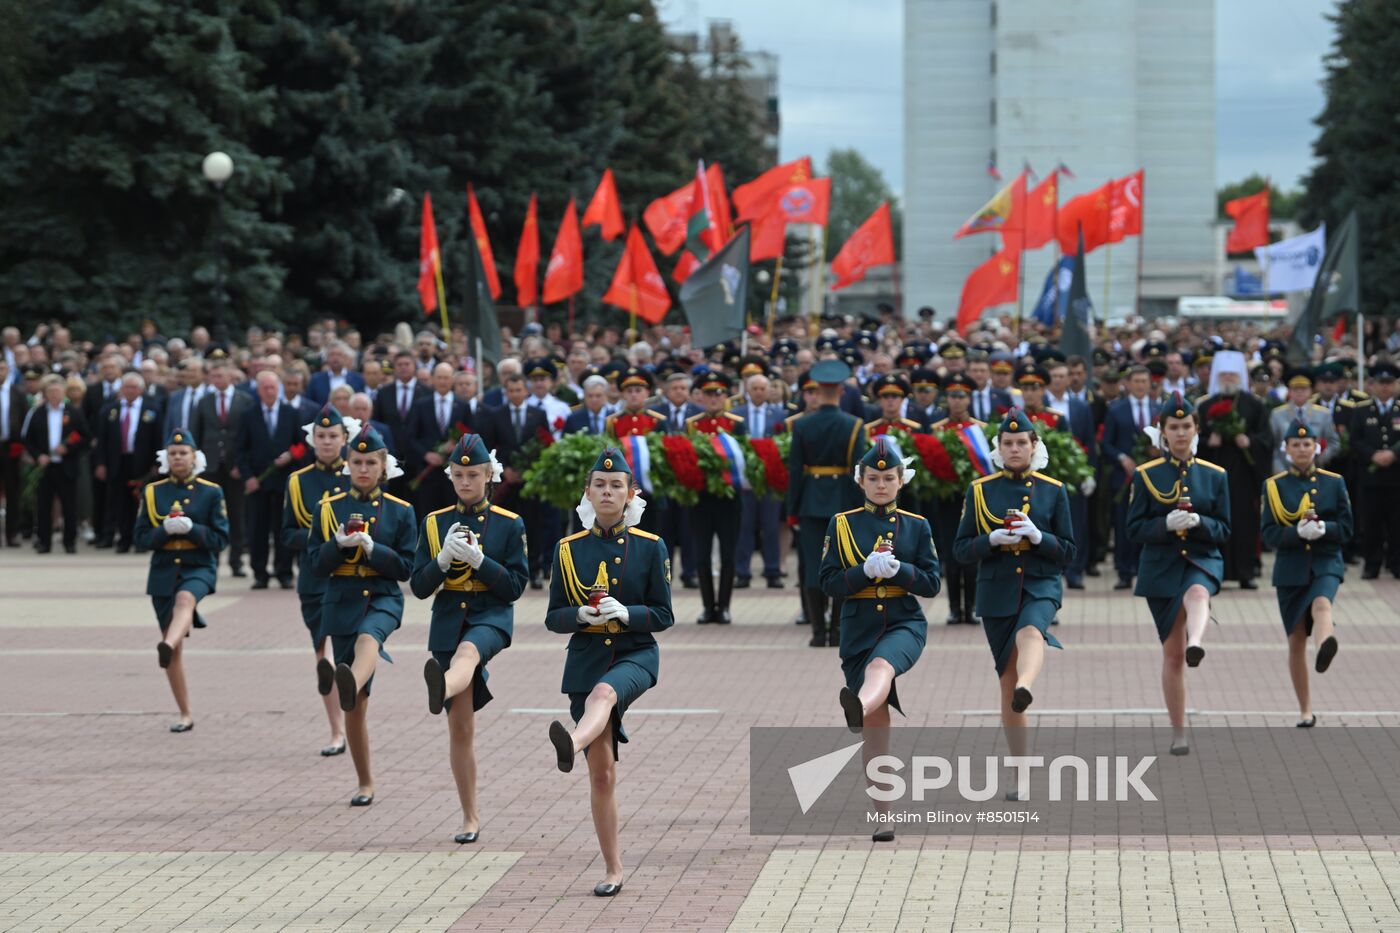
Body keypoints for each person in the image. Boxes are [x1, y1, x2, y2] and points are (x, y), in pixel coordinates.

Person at [544, 448, 673, 897]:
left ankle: (572, 740)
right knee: (602, 775)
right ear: (588, 492)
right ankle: (613, 869)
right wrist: (579, 615)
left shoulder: (651, 546)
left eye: (616, 485)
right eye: (599, 484)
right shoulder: (567, 549)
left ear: (630, 494)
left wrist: (629, 613)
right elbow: (552, 616)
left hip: (635, 655)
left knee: (604, 695)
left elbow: (664, 614)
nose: (607, 491)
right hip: (585, 660)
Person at [821, 436, 940, 842]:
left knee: (881, 666)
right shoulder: (842, 524)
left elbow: (931, 584)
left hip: (903, 621)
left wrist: (899, 571)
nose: (882, 485)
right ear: (861, 480)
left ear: (901, 480)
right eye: (874, 478)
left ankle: (858, 702)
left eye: (889, 478)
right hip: (858, 626)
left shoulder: (917, 526)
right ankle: (883, 815)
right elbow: (828, 583)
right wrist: (862, 572)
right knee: (877, 727)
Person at [412, 433, 528, 845]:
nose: (465, 482)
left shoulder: (510, 523)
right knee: (460, 728)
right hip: (447, 618)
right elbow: (420, 588)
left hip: (491, 615)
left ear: (489, 475)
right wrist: (442, 560)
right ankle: (469, 817)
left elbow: (515, 586)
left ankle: (440, 685)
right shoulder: (433, 521)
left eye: (473, 475)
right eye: (458, 475)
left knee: (469, 651)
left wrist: (480, 561)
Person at [953, 409, 1075, 743]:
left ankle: (1027, 684)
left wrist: (1038, 537)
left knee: (1032, 630)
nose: (1015, 448)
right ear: (999, 447)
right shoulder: (980, 490)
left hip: (1041, 582)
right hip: (996, 591)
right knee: (1006, 682)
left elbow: (1068, 551)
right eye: (1008, 443)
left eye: (1022, 442)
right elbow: (961, 550)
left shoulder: (1053, 489)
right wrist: (990, 540)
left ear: (1034, 445)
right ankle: (1020, 768)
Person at [310, 426, 416, 806]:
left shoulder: (402, 511)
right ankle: (365, 782)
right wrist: (336, 546)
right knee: (357, 709)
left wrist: (374, 550)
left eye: (371, 462)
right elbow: (314, 566)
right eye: (357, 462)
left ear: (384, 466)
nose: (364, 469)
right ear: (347, 465)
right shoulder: (327, 508)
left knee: (370, 639)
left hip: (383, 597)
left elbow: (406, 567)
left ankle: (348, 683)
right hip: (340, 601)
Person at [1126, 393, 1230, 756]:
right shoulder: (1146, 475)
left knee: (1199, 594)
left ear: (1196, 429)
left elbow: (1226, 528)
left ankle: (1198, 641)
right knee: (1172, 655)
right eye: (1174, 427)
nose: (1181, 433)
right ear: (1163, 433)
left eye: (1187, 426)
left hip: (1201, 556)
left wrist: (1201, 522)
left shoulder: (1215, 476)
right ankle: (1179, 732)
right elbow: (1133, 528)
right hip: (1161, 566)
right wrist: (1164, 525)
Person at [134, 428, 229, 732]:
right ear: (166, 458)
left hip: (198, 565)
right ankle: (185, 713)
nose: (178, 458)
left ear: (194, 457)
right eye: (173, 454)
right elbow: (140, 538)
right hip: (163, 570)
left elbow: (221, 538)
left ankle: (166, 642)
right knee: (175, 656)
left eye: (183, 453)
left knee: (186, 599)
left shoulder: (211, 491)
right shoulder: (153, 492)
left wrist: (192, 529)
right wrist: (164, 531)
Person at [1261, 420, 1350, 727]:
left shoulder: (1334, 482)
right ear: (1286, 449)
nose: (1302, 449)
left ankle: (1326, 643)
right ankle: (1305, 710)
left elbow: (1348, 528)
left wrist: (1324, 529)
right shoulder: (1274, 485)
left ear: (1317, 447)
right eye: (1295, 445)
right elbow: (1269, 534)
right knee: (1296, 639)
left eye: (1307, 444)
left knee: (1323, 602)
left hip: (1325, 559)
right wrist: (1296, 533)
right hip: (1290, 568)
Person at [282, 404, 356, 757]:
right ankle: (336, 731)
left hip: (352, 578)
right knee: (322, 652)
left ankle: (354, 721)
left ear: (345, 439)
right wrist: (323, 539)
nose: (327, 442)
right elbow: (286, 534)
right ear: (312, 439)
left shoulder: (358, 475)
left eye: (333, 436)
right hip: (315, 579)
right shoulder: (298, 482)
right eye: (321, 436)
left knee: (348, 656)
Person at [787, 360, 869, 646]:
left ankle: (818, 632)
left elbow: (795, 469)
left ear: (818, 389)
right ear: (842, 390)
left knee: (812, 565)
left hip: (810, 500)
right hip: (844, 501)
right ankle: (836, 631)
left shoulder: (802, 424)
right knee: (843, 564)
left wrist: (792, 508)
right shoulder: (854, 425)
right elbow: (858, 471)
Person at [1199, 349, 1271, 588]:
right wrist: (1208, 442)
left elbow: (1266, 439)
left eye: (1232, 374)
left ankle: (1244, 572)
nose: (1228, 379)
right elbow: (1192, 440)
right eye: (1223, 375)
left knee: (1244, 524)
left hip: (1243, 477)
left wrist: (1249, 441)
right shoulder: (1205, 405)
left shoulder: (1254, 405)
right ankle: (1215, 572)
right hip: (1213, 474)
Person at [685, 370, 747, 624]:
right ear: (701, 397)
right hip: (701, 497)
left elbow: (744, 459)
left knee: (728, 553)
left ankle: (724, 606)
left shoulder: (735, 423)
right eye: (709, 394)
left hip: (729, 497)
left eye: (718, 393)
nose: (713, 398)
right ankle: (707, 606)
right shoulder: (693, 424)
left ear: (725, 395)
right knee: (701, 554)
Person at [927, 373, 986, 624]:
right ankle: (953, 608)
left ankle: (971, 606)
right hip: (947, 500)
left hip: (974, 500)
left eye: (962, 396)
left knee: (972, 552)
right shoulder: (936, 429)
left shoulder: (980, 430)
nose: (957, 401)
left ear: (970, 399)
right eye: (952, 396)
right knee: (951, 553)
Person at [236, 372, 302, 589]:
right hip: (258, 484)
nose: (269, 391)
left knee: (282, 528)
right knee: (258, 530)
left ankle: (284, 571)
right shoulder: (249, 415)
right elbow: (239, 451)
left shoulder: (291, 413)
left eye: (272, 387)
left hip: (284, 483)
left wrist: (291, 455)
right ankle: (260, 573)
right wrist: (248, 477)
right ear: (258, 391)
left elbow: (303, 445)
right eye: (264, 387)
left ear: (279, 389)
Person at [94, 372, 163, 553]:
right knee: (119, 502)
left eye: (133, 387)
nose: (130, 390)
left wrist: (157, 463)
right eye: (126, 387)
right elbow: (101, 440)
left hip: (142, 464)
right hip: (117, 462)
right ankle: (123, 539)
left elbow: (158, 439)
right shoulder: (110, 410)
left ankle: (140, 540)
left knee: (140, 503)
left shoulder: (152, 409)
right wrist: (100, 463)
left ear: (141, 389)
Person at [22, 373, 90, 554]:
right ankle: (44, 541)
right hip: (45, 467)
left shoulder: (73, 412)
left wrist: (68, 448)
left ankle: (70, 542)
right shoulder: (38, 413)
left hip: (66, 465)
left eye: (57, 391)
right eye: (50, 391)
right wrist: (38, 456)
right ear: (45, 393)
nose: (53, 394)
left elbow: (85, 437)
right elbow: (28, 439)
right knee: (43, 506)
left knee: (70, 506)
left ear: (63, 393)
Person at [1352, 362, 1400, 579]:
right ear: (1372, 385)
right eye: (1381, 383)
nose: (1384, 388)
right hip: (1370, 476)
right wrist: (1372, 455)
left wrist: (1393, 454)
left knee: (1396, 522)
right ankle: (1372, 564)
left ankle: (1396, 563)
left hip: (1396, 475)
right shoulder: (1361, 410)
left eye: (1389, 383)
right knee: (1371, 522)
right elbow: (1355, 440)